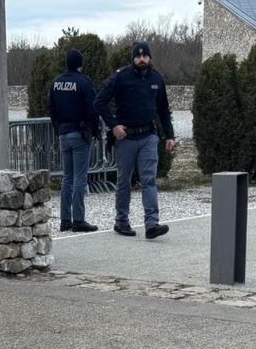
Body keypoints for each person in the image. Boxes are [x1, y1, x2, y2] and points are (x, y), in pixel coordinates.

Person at [96, 41, 176, 239]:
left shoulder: (157, 78)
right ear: (133, 58)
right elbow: (99, 102)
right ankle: (121, 221)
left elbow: (164, 110)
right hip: (126, 138)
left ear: (149, 58)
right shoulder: (121, 77)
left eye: (145, 56)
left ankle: (152, 224)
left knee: (149, 180)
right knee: (124, 181)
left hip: (148, 136)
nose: (142, 59)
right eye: (138, 56)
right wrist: (113, 125)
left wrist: (170, 135)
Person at [48, 48, 101, 233]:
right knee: (80, 177)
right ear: (80, 64)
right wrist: (95, 131)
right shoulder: (84, 82)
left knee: (67, 178)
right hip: (79, 134)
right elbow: (92, 109)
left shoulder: (56, 83)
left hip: (63, 133)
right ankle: (78, 219)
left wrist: (58, 129)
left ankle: (65, 220)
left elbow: (51, 109)